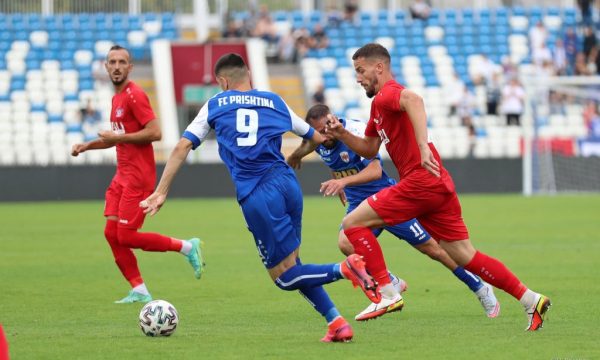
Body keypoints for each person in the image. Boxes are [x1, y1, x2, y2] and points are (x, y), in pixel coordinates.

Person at [140, 53, 380, 343]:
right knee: (294, 263)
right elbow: (317, 138)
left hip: (258, 195)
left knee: (284, 277)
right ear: (249, 75)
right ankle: (336, 322)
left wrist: (161, 190)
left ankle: (345, 268)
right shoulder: (274, 101)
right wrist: (297, 157)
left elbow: (181, 147)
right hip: (288, 185)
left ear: (223, 82)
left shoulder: (216, 104)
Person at [325, 43, 551, 331]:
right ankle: (530, 299)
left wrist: (422, 145)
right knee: (465, 256)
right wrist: (342, 133)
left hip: (420, 180)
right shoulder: (378, 107)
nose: (357, 78)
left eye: (360, 70)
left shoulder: (389, 94)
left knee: (351, 223)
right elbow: (369, 148)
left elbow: (414, 100)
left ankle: (388, 291)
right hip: (437, 183)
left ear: (378, 67)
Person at [287, 104, 500, 320]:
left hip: (387, 201)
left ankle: (479, 287)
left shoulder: (354, 131)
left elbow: (374, 170)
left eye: (324, 130)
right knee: (345, 243)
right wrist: (295, 157)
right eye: (318, 132)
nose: (323, 136)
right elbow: (313, 147)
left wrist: (343, 182)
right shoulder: (320, 140)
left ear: (333, 119)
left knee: (434, 250)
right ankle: (391, 282)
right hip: (359, 205)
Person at [70, 45, 204, 304]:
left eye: (122, 62)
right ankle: (139, 290)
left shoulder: (135, 95)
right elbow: (116, 138)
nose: (117, 66)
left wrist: (119, 137)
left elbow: (155, 133)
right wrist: (87, 145)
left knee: (127, 236)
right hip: (122, 175)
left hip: (138, 177)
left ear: (130, 68)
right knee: (111, 234)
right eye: (112, 62)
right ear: (106, 67)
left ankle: (187, 246)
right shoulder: (116, 98)